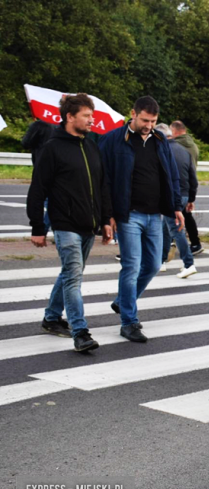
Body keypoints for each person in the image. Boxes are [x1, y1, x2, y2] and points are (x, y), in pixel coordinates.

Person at [26, 94, 113, 352]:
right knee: (74, 277)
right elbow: (37, 189)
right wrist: (37, 227)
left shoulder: (91, 146)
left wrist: (106, 219)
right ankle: (80, 332)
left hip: (89, 224)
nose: (91, 120)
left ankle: (52, 317)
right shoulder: (52, 148)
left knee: (70, 273)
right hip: (64, 224)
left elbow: (102, 185)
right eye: (86, 115)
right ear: (70, 117)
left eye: (91, 115)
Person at [99, 96, 184, 343]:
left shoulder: (160, 140)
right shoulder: (114, 140)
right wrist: (108, 215)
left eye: (154, 121)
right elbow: (103, 179)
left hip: (155, 215)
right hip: (128, 215)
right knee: (132, 265)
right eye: (145, 120)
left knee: (154, 264)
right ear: (133, 114)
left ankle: (123, 301)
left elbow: (172, 176)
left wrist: (176, 207)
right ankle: (128, 321)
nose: (149, 125)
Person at [156, 123, 197, 278]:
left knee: (175, 229)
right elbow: (193, 177)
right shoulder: (184, 151)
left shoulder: (161, 151)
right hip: (185, 193)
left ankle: (189, 263)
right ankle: (161, 261)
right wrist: (191, 198)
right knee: (166, 227)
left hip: (171, 195)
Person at [170, 120, 203, 256]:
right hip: (188, 185)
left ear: (175, 131)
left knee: (173, 218)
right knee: (185, 215)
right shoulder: (193, 146)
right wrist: (191, 196)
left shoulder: (176, 146)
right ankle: (195, 242)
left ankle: (175, 248)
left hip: (178, 185)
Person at [22, 119, 57, 236]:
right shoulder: (57, 127)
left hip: (40, 166)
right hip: (56, 168)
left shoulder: (39, 125)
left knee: (45, 201)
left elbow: (26, 143)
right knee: (54, 202)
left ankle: (43, 228)